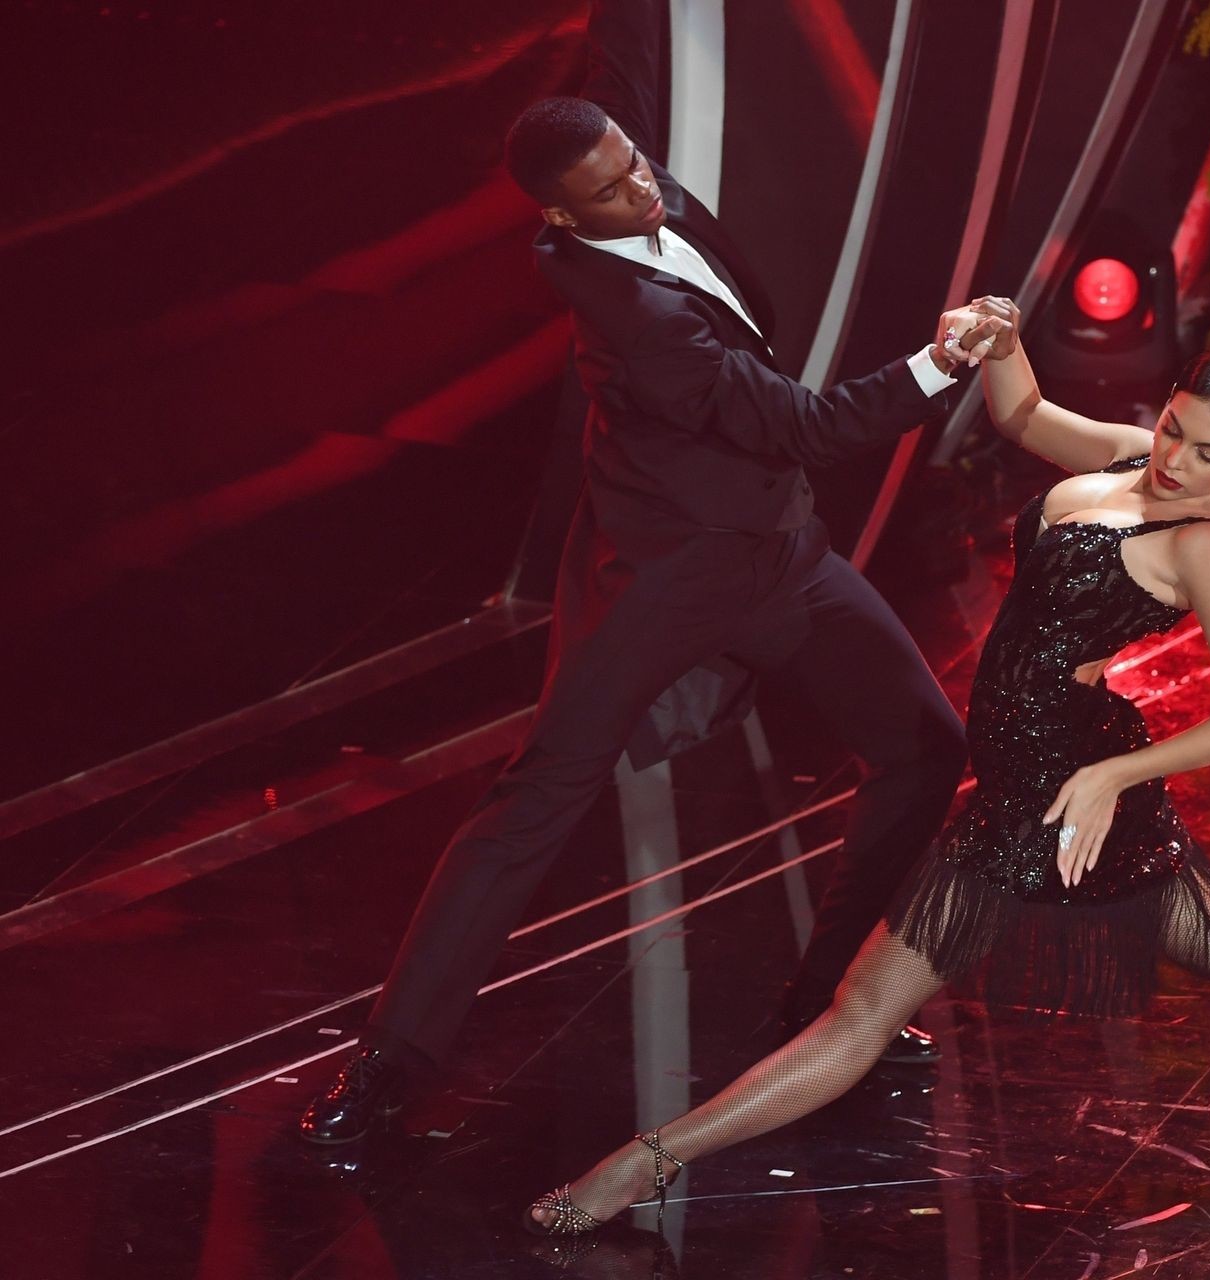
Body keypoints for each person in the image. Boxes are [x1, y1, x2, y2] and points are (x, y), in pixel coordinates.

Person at [521, 307, 1210, 1236]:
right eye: (1176, 428)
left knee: (864, 1011)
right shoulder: (1137, 456)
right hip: (1035, 779)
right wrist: (1001, 343)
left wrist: (1114, 775)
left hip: (1058, 794)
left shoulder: (1201, 546)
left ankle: (641, 1165)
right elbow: (1025, 417)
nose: (1178, 460)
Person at [298, 0, 1010, 1144]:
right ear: (564, 216)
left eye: (635, 164)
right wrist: (938, 361)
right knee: (537, 798)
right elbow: (811, 426)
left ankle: (830, 1007)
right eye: (616, 190)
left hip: (777, 549)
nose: (644, 189)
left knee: (926, 746)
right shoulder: (637, 320)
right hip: (666, 578)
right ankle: (388, 1065)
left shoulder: (613, 156)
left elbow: (623, 55)